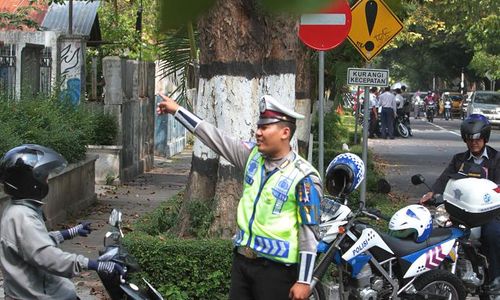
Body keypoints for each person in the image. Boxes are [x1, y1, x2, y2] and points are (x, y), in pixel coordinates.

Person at [157, 94, 322, 300]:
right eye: (258, 127)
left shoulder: (304, 176)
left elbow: (309, 232)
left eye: (264, 128)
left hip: (276, 271)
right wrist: (177, 111)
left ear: (285, 132)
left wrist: (304, 280)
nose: (258, 133)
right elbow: (215, 138)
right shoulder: (252, 156)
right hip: (242, 262)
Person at [0, 144, 124, 300]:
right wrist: (93, 264)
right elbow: (47, 256)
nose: (47, 180)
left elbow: (32, 245)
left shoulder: (17, 210)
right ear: (31, 181)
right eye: (44, 176)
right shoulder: (23, 217)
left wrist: (69, 232)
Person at [420, 114, 500, 292]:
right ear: (465, 140)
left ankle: (496, 279)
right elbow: (444, 179)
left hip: (489, 213)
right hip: (460, 212)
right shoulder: (459, 159)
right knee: (436, 231)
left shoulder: (496, 159)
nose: (474, 143)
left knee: (493, 234)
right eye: (470, 140)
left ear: (485, 138)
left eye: (478, 139)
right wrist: (431, 193)